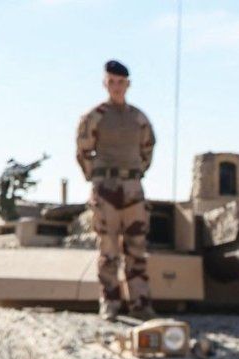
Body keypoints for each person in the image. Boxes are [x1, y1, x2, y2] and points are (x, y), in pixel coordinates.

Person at [76, 59, 156, 321]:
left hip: (132, 188)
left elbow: (148, 149)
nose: (116, 87)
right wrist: (96, 178)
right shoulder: (94, 117)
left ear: (128, 84)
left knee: (136, 247)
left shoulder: (138, 118)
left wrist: (134, 173)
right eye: (112, 82)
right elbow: (83, 150)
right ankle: (110, 301)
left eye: (121, 82)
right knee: (108, 248)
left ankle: (140, 302)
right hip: (106, 187)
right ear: (105, 84)